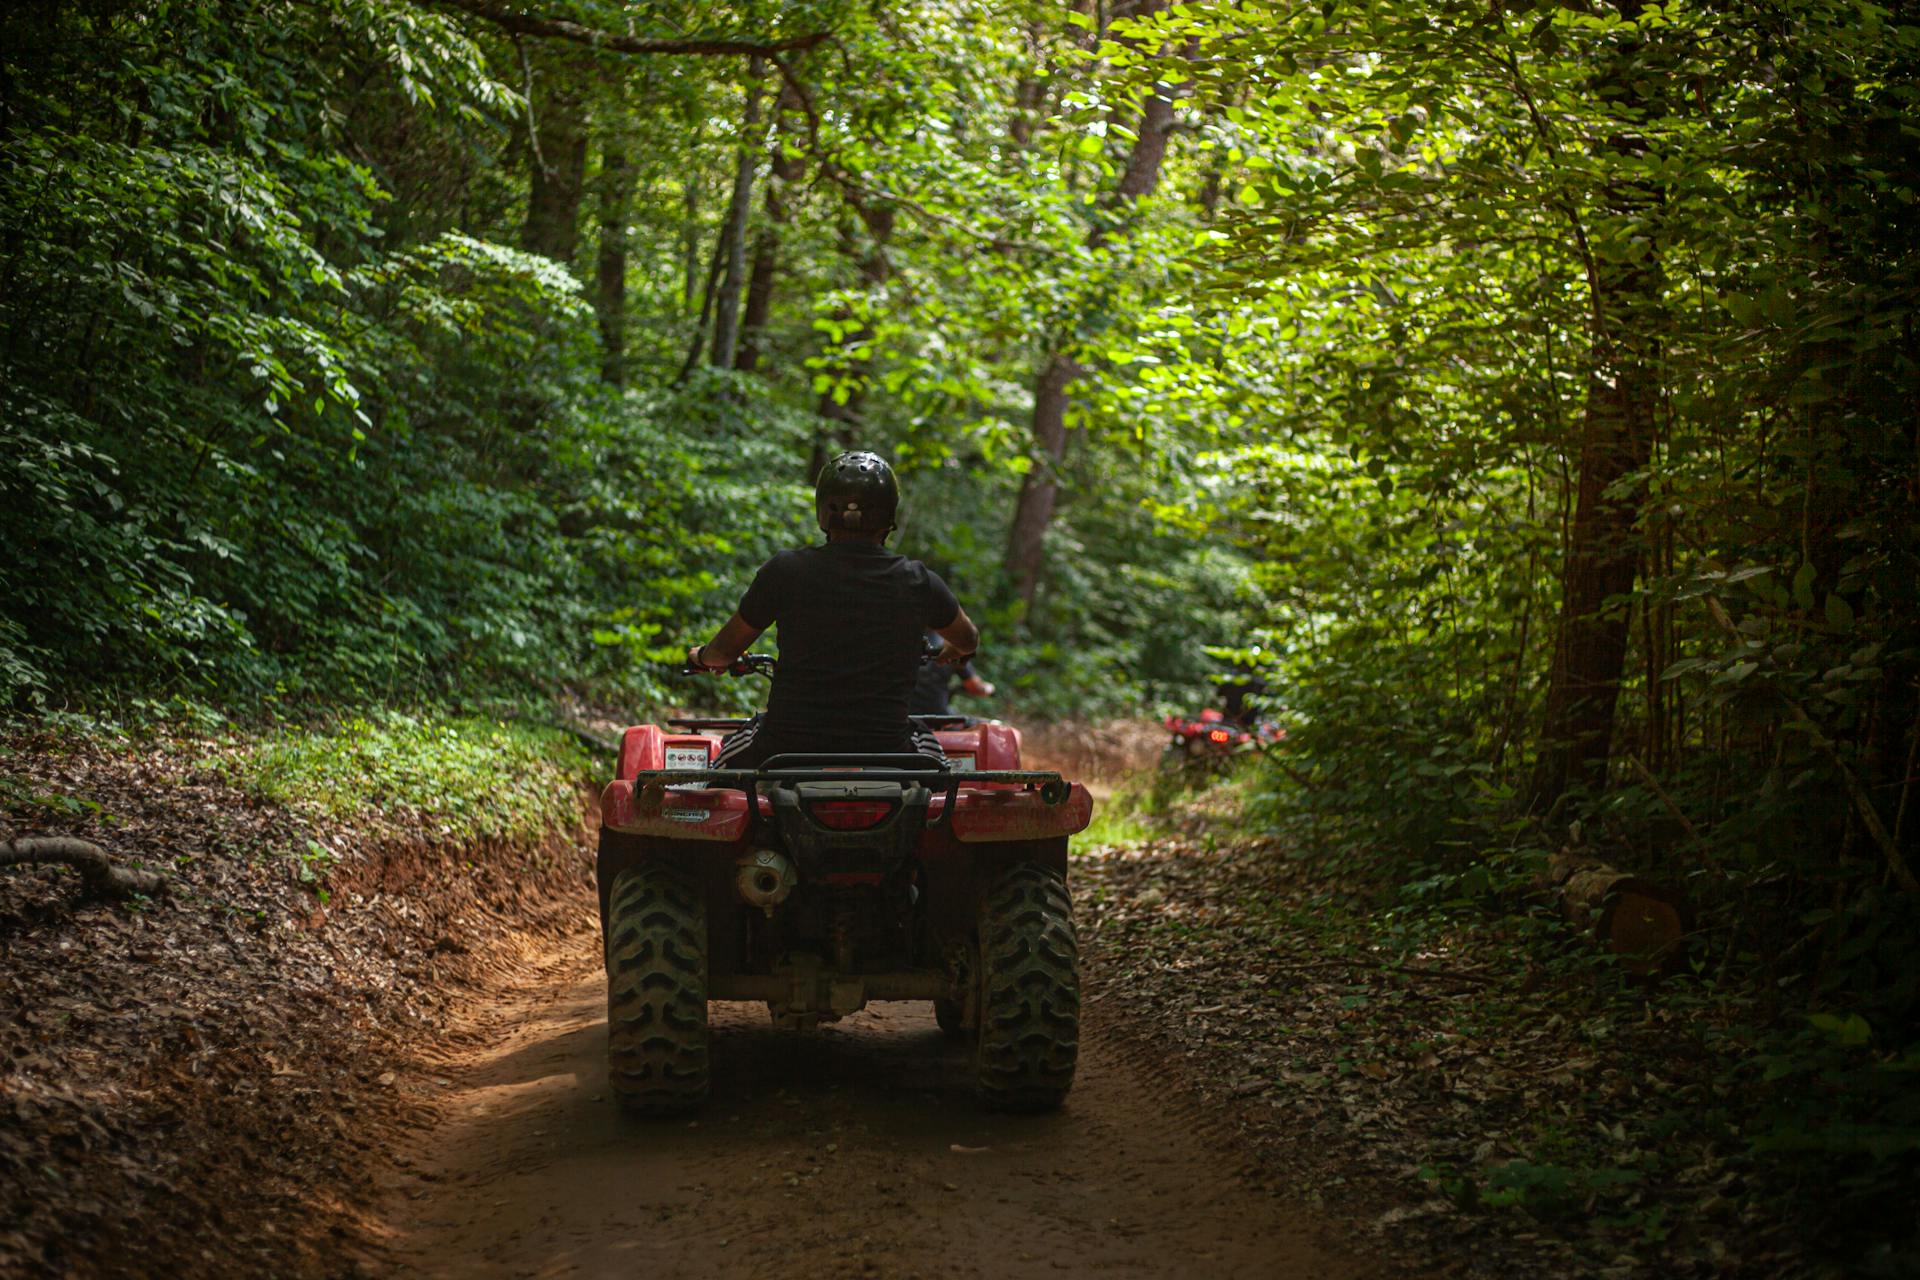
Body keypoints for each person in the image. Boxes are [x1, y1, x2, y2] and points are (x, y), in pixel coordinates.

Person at [685, 451, 981, 768]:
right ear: (888, 515)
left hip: (786, 749)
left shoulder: (786, 571)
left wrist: (700, 657)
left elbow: (723, 653)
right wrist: (949, 651)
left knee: (715, 774)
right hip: (885, 751)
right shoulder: (919, 581)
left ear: (824, 510)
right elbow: (968, 639)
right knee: (940, 771)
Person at [909, 631, 995, 716]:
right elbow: (974, 687)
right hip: (937, 715)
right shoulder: (950, 646)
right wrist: (988, 688)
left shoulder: (903, 639)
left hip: (903, 713)